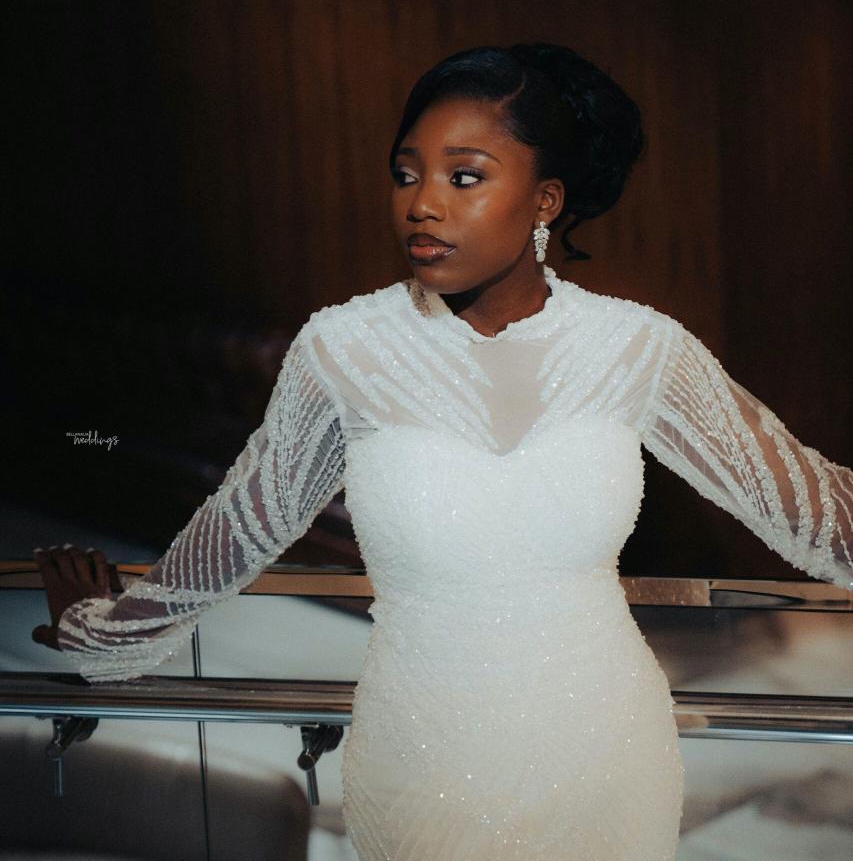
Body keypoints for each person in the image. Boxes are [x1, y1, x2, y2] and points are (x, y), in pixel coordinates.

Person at [33, 42, 853, 860]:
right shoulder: (343, 349)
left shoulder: (637, 349)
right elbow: (245, 524)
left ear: (544, 200)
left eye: (463, 177)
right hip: (417, 769)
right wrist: (107, 634)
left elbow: (814, 513)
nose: (421, 204)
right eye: (405, 174)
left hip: (606, 762)